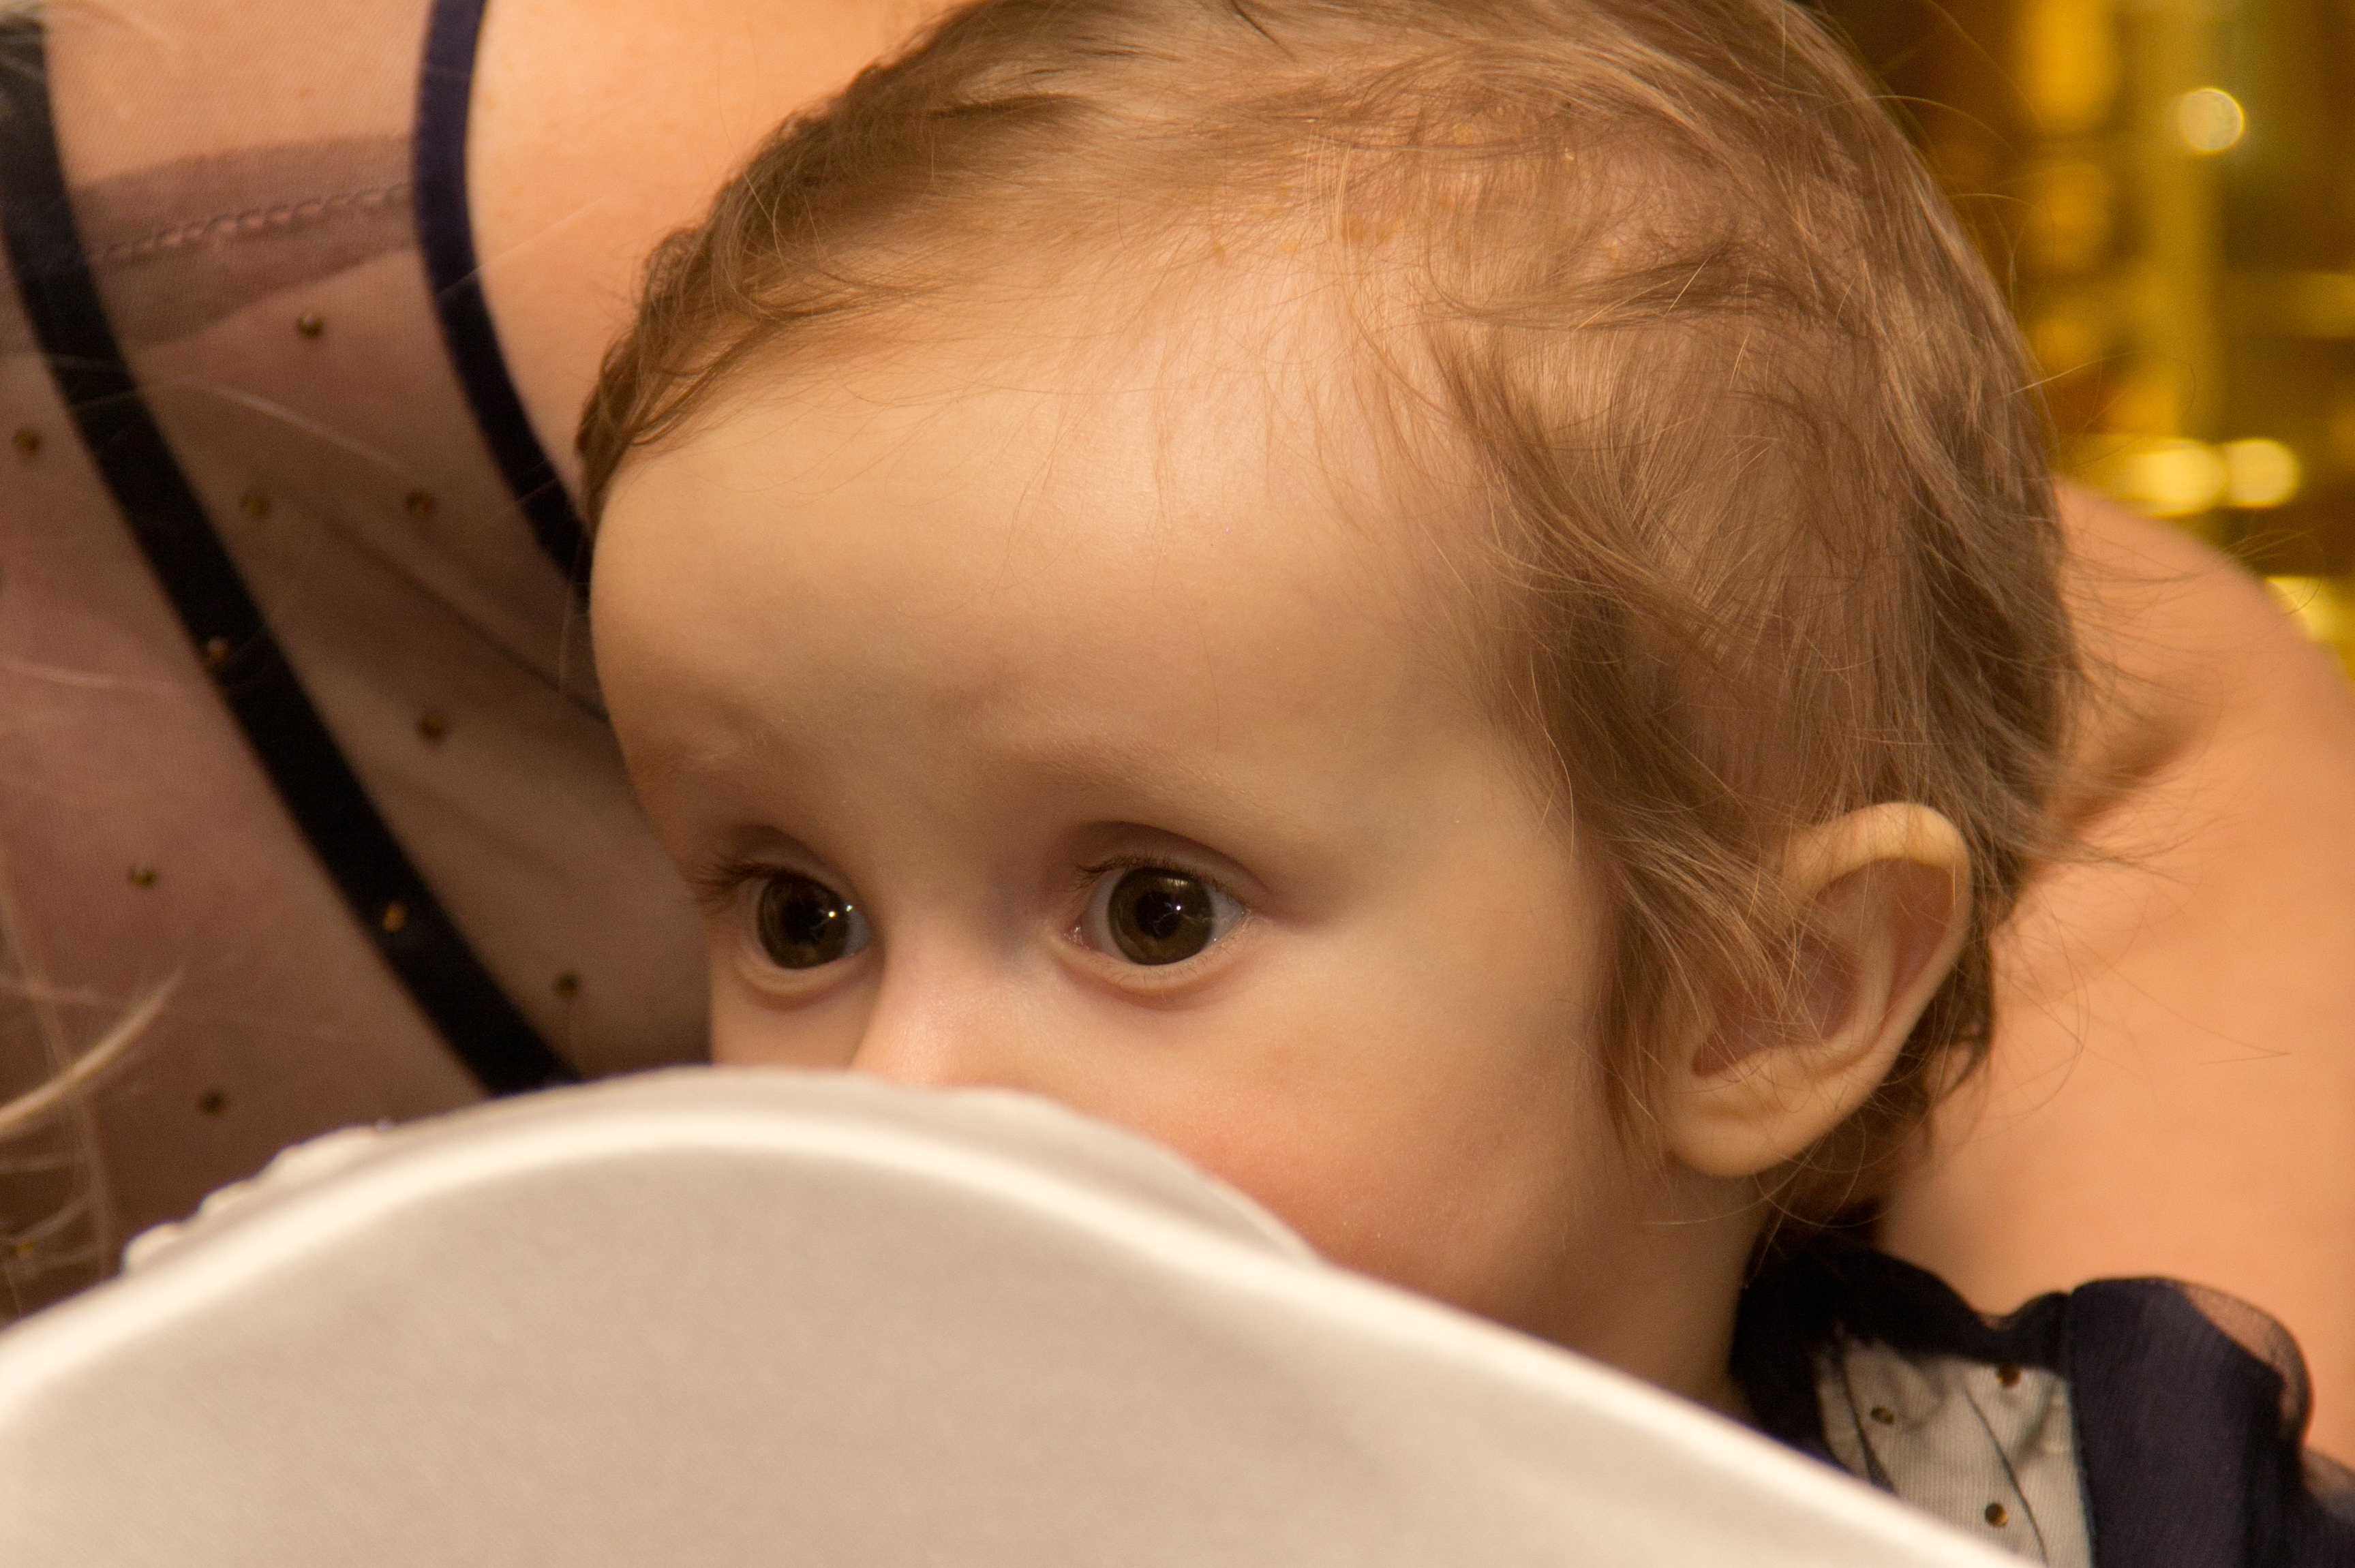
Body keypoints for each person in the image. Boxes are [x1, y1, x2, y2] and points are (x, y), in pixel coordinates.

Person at [0, 0, 2349, 1466]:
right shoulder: (723, 1483)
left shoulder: (2082, 1502)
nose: (903, 1098)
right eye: (799, 920)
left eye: (1148, 915)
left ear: (1766, 989)